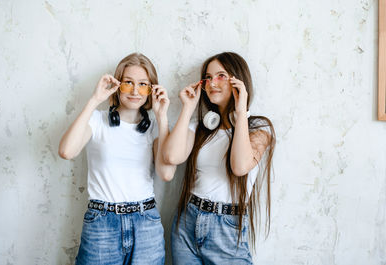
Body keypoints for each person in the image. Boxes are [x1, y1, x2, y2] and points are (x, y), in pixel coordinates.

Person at [58, 53, 175, 265]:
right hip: (102, 224)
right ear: (118, 85)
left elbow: (166, 173)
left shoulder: (156, 127)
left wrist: (162, 116)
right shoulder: (97, 120)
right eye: (128, 83)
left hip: (145, 223)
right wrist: (95, 100)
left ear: (151, 90)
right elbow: (66, 151)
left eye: (143, 84)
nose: (136, 91)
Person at [163, 52, 276, 264]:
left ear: (238, 80)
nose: (212, 83)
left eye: (221, 76)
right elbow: (171, 156)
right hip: (187, 224)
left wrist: (241, 111)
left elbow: (240, 166)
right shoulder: (202, 127)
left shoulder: (259, 128)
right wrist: (187, 108)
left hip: (227, 229)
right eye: (208, 77)